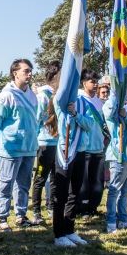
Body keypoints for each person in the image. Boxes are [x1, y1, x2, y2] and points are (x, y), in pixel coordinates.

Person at [0, 59, 39, 231]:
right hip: (10, 148)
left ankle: (21, 215)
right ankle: (2, 217)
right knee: (6, 183)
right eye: (26, 70)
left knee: (24, 184)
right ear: (15, 73)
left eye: (30, 70)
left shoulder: (33, 95)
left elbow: (36, 121)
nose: (30, 74)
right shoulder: (6, 95)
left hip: (29, 147)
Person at [52, 85, 95, 245]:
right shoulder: (60, 101)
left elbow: (90, 125)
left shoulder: (84, 103)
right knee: (61, 194)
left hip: (81, 150)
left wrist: (76, 114)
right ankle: (59, 234)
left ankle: (69, 229)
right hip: (65, 152)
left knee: (74, 193)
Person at [103, 79, 127, 232]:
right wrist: (114, 92)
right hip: (118, 154)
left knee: (126, 191)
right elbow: (108, 112)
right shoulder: (111, 106)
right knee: (114, 190)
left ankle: (123, 219)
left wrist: (126, 116)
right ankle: (111, 221)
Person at [31, 62, 61, 224]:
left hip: (59, 143)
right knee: (41, 177)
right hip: (44, 143)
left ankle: (51, 207)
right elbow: (36, 121)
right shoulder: (43, 96)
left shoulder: (60, 94)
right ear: (55, 76)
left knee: (56, 178)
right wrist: (34, 142)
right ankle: (36, 211)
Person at [77, 70, 108, 217]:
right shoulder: (79, 98)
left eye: (96, 81)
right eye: (92, 81)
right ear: (84, 83)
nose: (95, 84)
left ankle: (93, 207)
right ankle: (82, 208)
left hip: (99, 145)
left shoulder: (99, 101)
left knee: (97, 180)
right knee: (84, 181)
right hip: (85, 146)